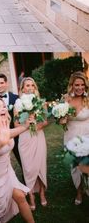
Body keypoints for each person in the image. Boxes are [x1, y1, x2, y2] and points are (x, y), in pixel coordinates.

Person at [0, 97, 34, 223]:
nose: (2, 109)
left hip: (6, 170)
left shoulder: (5, 122)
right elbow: (3, 136)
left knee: (20, 196)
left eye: (3, 106)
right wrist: (25, 126)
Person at [14, 77, 48, 211]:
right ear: (22, 89)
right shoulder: (18, 104)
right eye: (27, 86)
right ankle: (31, 196)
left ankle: (42, 193)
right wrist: (27, 124)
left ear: (35, 88)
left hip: (38, 137)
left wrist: (36, 125)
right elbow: (16, 124)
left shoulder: (40, 102)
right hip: (25, 138)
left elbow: (45, 121)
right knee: (28, 168)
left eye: (32, 85)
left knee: (40, 165)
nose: (29, 88)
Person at [62, 71, 89, 205]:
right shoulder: (66, 99)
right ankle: (79, 191)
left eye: (82, 85)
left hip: (87, 135)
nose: (79, 88)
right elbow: (62, 122)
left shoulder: (88, 98)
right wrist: (61, 117)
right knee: (75, 166)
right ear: (72, 85)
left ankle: (87, 187)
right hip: (71, 136)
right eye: (76, 85)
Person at [0, 74, 22, 168]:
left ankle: (28, 180)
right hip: (0, 135)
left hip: (16, 134)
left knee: (21, 158)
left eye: (2, 83)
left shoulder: (16, 98)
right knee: (2, 162)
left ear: (6, 83)